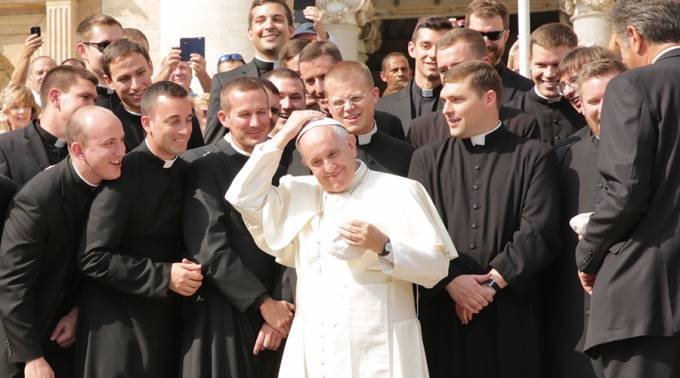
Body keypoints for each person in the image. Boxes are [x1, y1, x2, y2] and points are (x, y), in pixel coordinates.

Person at [226, 111, 456, 378]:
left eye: (332, 154)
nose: (328, 166)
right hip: (317, 346)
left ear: (351, 145)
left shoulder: (401, 190)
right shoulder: (299, 192)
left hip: (381, 344)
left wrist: (384, 246)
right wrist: (284, 135)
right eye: (316, 161)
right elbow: (242, 196)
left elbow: (437, 266)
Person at [409, 61, 560, 378]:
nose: (446, 110)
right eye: (444, 100)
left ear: (489, 99)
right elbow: (417, 231)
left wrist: (488, 286)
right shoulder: (426, 159)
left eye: (457, 100)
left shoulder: (534, 156)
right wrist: (452, 282)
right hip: (443, 312)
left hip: (510, 313)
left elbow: (538, 232)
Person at [574, 1, 680, 377]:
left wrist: (589, 253)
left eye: (618, 46)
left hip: (647, 299)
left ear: (634, 37)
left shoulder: (634, 85)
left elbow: (626, 189)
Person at [76, 81, 202, 378]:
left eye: (188, 119)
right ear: (146, 123)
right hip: (120, 327)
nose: (185, 129)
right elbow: (93, 258)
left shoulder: (186, 170)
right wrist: (164, 275)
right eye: (173, 121)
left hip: (167, 321)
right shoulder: (123, 174)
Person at [0, 105, 125, 378]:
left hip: (77, 335)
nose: (121, 152)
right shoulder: (38, 198)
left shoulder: (116, 183)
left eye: (122, 141)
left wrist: (79, 310)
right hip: (29, 342)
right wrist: (32, 357)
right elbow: (12, 282)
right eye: (109, 144)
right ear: (78, 150)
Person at [181, 77, 294, 378]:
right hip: (223, 314)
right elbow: (209, 247)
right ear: (224, 118)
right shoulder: (204, 167)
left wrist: (279, 308)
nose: (256, 122)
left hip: (278, 315)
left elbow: (292, 244)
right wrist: (261, 302)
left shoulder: (282, 168)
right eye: (244, 115)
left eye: (263, 112)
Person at [549, 58, 625, 378]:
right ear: (580, 106)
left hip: (635, 313)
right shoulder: (563, 157)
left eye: (613, 96)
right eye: (594, 101)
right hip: (577, 315)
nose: (603, 107)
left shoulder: (661, 149)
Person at [407, 28, 540, 148]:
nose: (449, 75)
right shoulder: (422, 130)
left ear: (484, 64)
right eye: (442, 70)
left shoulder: (522, 125)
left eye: (458, 67)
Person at [204, 0, 294, 144]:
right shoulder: (225, 81)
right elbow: (214, 146)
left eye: (277, 19)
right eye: (260, 20)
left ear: (291, 30)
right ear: (250, 33)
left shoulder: (304, 77)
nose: (269, 26)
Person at [0, 65, 98, 187]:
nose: (92, 106)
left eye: (94, 100)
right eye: (85, 97)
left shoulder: (91, 147)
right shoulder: (5, 146)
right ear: (55, 97)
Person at [101, 39, 203, 151]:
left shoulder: (185, 115)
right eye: (124, 79)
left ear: (150, 67)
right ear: (109, 81)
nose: (136, 85)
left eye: (140, 73)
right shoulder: (109, 128)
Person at [297, 41, 406, 140]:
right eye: (310, 81)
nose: (319, 89)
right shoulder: (304, 129)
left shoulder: (388, 124)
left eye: (324, 77)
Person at [325, 61, 414, 177]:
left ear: (375, 95)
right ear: (328, 106)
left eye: (356, 98)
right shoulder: (319, 157)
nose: (348, 108)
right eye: (339, 102)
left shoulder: (406, 154)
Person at [509, 23, 584, 145]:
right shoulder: (512, 114)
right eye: (541, 65)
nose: (549, 74)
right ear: (530, 62)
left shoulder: (587, 108)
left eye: (557, 65)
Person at [376, 16, 453, 133]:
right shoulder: (383, 107)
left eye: (441, 46)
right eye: (425, 46)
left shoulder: (461, 106)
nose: (432, 54)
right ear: (412, 49)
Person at [465, 0, 533, 103]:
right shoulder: (447, 87)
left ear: (505, 36)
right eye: (478, 34)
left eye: (494, 35)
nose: (486, 42)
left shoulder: (526, 91)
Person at [75, 15, 124, 90]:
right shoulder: (73, 98)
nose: (116, 53)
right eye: (105, 46)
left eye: (120, 45)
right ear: (83, 51)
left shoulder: (138, 96)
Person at [9, 31, 57, 108]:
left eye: (49, 72)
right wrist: (26, 55)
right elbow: (15, 87)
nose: (44, 76)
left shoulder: (64, 100)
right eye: (40, 73)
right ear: (30, 77)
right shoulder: (24, 100)